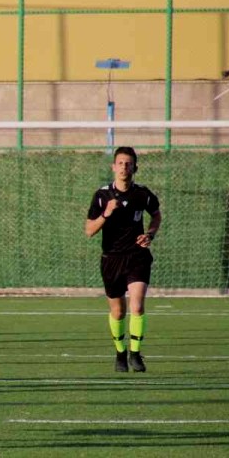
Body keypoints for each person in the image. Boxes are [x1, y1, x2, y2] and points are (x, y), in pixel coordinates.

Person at [85, 146, 162, 373]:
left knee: (137, 306)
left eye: (128, 163)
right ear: (113, 167)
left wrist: (150, 234)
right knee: (118, 311)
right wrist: (106, 213)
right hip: (111, 259)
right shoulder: (102, 196)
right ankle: (120, 353)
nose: (124, 167)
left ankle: (135, 354)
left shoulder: (143, 194)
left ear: (134, 167)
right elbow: (89, 230)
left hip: (137, 256)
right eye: (120, 163)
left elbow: (156, 215)